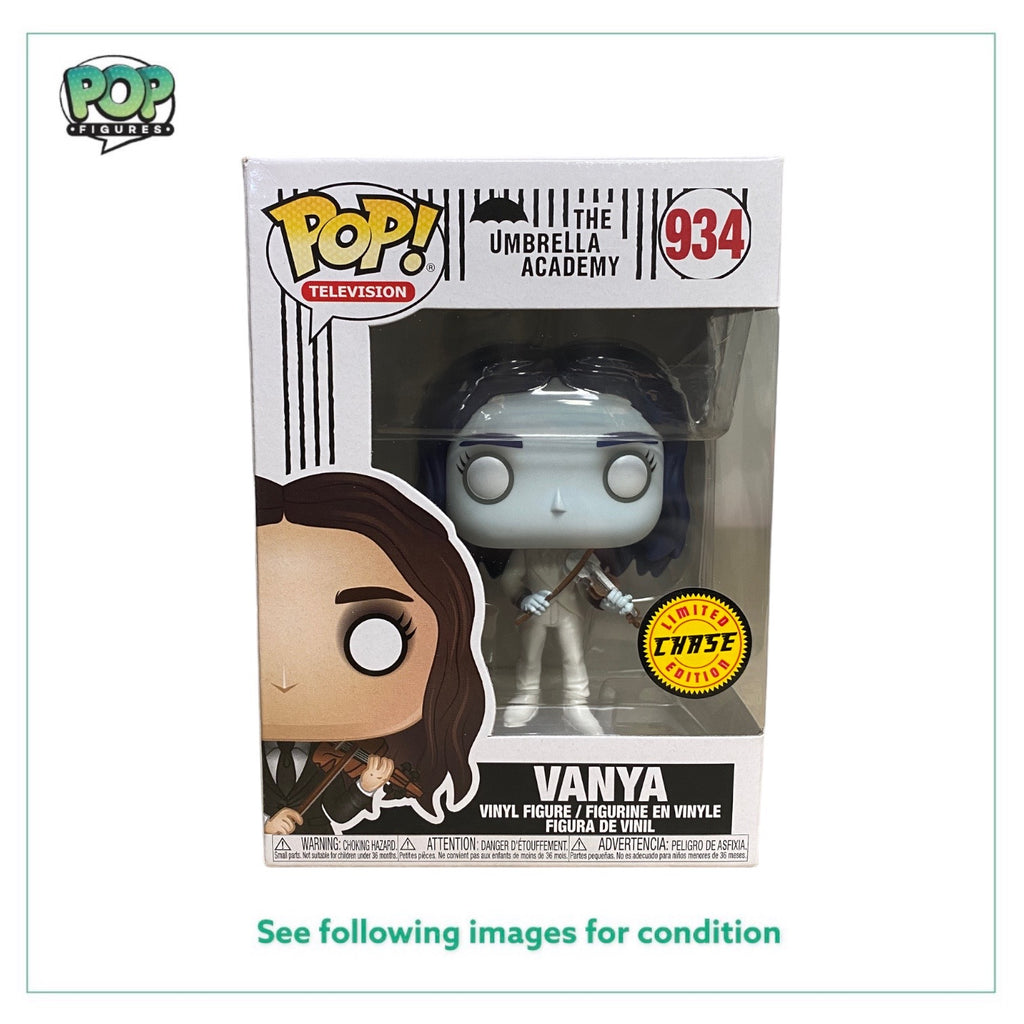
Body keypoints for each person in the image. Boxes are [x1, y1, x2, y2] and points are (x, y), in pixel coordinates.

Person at [419, 343, 689, 735]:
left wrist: (614, 599)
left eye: (626, 473)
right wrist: (521, 598)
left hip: (569, 611)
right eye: (489, 473)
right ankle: (526, 697)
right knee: (528, 658)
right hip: (537, 610)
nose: (558, 504)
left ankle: (576, 704)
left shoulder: (583, 553)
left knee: (574, 657)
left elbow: (596, 581)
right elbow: (512, 577)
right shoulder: (528, 552)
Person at [256, 472, 487, 833]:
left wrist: (366, 786)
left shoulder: (331, 754)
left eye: (376, 632)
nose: (285, 680)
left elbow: (338, 814)